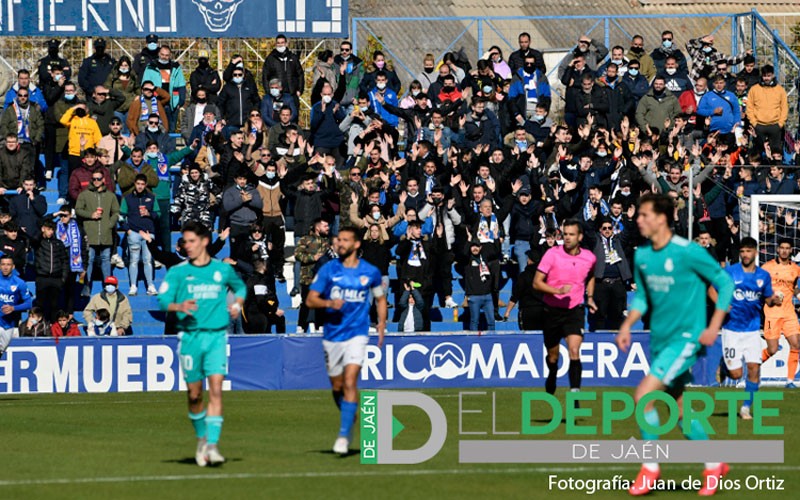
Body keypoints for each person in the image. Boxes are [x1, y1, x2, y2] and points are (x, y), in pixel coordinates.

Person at [617, 193, 734, 496]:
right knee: (681, 412)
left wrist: (713, 325)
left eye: (643, 215)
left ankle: (650, 468)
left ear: (662, 218)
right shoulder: (642, 255)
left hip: (686, 339)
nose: (638, 219)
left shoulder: (687, 251)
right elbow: (642, 296)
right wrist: (628, 325)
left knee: (644, 396)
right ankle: (714, 464)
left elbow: (724, 283)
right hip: (660, 339)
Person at [157, 221, 247, 467]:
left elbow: (240, 288)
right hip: (190, 338)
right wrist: (178, 306)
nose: (187, 246)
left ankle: (213, 446)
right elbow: (163, 299)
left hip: (217, 337)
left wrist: (237, 305)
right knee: (195, 395)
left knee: (216, 390)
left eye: (191, 241)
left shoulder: (221, 270)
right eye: (185, 241)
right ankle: (201, 439)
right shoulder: (178, 271)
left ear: (205, 241)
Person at [305, 226, 386, 455]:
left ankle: (343, 434)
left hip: (357, 334)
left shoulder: (370, 272)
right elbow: (311, 300)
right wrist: (329, 304)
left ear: (356, 244)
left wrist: (381, 324)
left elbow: (380, 299)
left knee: (350, 381)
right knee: (337, 386)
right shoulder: (329, 269)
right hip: (332, 335)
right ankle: (349, 414)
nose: (340, 243)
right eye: (338, 240)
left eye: (345, 240)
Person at [714, 238, 781, 420]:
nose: (745, 254)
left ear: (755, 253)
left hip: (752, 330)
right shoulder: (730, 272)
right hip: (732, 330)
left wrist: (775, 300)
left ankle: (745, 408)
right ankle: (726, 367)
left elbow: (767, 300)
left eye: (749, 251)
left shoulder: (763, 276)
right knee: (737, 375)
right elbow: (711, 289)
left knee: (754, 369)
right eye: (742, 251)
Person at [533, 219, 597, 398]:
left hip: (574, 310)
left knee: (574, 351)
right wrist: (557, 291)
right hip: (552, 310)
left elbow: (591, 275)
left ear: (580, 237)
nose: (567, 238)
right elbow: (536, 283)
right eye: (565, 234)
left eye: (571, 234)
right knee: (553, 357)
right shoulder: (552, 254)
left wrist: (590, 297)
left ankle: (575, 393)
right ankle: (552, 372)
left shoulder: (589, 257)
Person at [760, 238, 800, 387]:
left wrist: (798, 295)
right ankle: (754, 365)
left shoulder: (795, 269)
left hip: (789, 312)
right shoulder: (767, 268)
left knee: (796, 345)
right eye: (781, 248)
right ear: (777, 250)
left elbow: (794, 286)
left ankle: (790, 381)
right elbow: (760, 288)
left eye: (787, 248)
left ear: (791, 251)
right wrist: (769, 298)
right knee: (773, 349)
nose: (784, 250)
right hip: (772, 313)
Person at [75, 168, 120, 296]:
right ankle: (86, 287)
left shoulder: (110, 196)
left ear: (104, 180)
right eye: (94, 179)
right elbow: (78, 210)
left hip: (106, 234)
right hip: (90, 233)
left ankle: (108, 286)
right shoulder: (84, 194)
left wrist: (109, 224)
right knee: (89, 261)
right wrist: (91, 215)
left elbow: (116, 212)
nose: (96, 181)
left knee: (106, 260)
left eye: (99, 179)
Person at [121, 174, 160, 296]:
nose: (140, 186)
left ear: (146, 185)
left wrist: (149, 213)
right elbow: (121, 216)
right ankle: (133, 285)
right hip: (134, 233)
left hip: (148, 234)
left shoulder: (152, 197)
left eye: (142, 184)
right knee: (133, 260)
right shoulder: (127, 198)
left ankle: (150, 285)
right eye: (138, 184)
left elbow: (158, 214)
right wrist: (128, 230)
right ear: (134, 184)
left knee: (148, 260)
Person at [142, 45, 186, 132]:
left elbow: (181, 85)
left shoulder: (176, 67)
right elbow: (144, 84)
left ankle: (171, 145)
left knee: (171, 128)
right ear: (159, 54)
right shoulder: (151, 66)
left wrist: (180, 102)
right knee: (156, 127)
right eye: (162, 54)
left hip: (172, 103)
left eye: (166, 55)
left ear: (170, 55)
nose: (164, 57)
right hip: (156, 101)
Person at [33, 219, 68, 323]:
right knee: (40, 305)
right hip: (42, 277)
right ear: (43, 229)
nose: (51, 232)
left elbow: (65, 261)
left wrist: (63, 278)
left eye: (52, 229)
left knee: (55, 306)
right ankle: (40, 328)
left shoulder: (58, 243)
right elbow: (33, 240)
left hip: (56, 279)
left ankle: (53, 327)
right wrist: (41, 233)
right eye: (48, 229)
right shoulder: (39, 242)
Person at [0, 254, 33, 359]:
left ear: (13, 267)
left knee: (2, 352)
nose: (5, 267)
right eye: (3, 264)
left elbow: (29, 303)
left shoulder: (20, 283)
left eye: (8, 264)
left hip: (8, 324)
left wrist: (13, 308)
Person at [243, 259, 285, 334]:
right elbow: (260, 300)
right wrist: (274, 310)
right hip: (257, 316)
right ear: (264, 267)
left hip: (250, 314)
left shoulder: (250, 279)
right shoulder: (259, 281)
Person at [262, 35, 304, 108]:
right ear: (275, 44)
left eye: (282, 42)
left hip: (292, 94)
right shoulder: (270, 59)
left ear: (286, 44)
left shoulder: (293, 57)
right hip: (277, 95)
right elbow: (265, 76)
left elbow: (300, 74)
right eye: (278, 43)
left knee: (293, 115)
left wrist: (300, 90)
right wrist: (269, 92)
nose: (280, 45)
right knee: (277, 116)